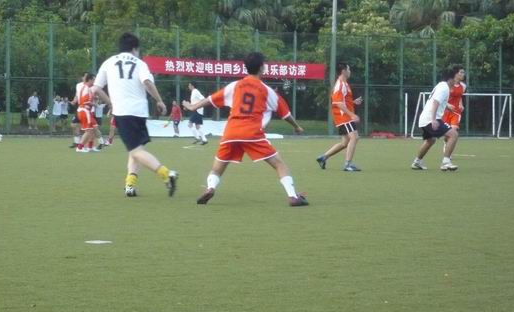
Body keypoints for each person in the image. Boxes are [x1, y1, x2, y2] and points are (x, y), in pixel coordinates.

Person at [182, 52, 308, 207]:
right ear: (262, 68)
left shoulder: (234, 86)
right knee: (279, 164)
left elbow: (211, 99)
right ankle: (293, 196)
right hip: (252, 133)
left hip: (231, 132)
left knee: (217, 168)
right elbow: (285, 114)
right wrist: (297, 126)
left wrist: (193, 106)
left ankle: (210, 188)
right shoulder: (267, 91)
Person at [93, 33, 178, 197]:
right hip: (139, 112)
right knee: (136, 149)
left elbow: (95, 88)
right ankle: (130, 184)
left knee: (135, 150)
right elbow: (147, 82)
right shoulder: (140, 63)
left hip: (123, 112)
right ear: (135, 48)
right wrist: (159, 101)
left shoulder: (108, 63)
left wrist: (110, 103)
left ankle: (167, 174)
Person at [411, 65, 462, 171]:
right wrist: (434, 119)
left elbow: (435, 99)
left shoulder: (441, 85)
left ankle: (417, 162)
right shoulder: (444, 88)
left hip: (424, 119)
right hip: (430, 119)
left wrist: (447, 106)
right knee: (453, 134)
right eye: (455, 79)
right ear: (451, 79)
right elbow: (435, 102)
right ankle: (446, 162)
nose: (456, 82)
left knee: (431, 140)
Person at [316, 63, 363, 172]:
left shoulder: (344, 84)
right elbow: (338, 103)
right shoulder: (340, 85)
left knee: (345, 142)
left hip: (344, 117)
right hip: (344, 117)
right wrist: (352, 115)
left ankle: (323, 157)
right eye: (348, 69)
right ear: (343, 71)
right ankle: (348, 165)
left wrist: (353, 102)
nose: (350, 71)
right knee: (354, 137)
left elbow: (343, 101)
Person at [71, 73, 109, 153]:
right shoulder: (86, 88)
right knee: (89, 131)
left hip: (85, 110)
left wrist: (94, 99)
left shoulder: (86, 88)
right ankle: (80, 147)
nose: (95, 81)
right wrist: (94, 104)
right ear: (90, 80)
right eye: (94, 79)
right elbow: (85, 101)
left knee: (92, 129)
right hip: (85, 110)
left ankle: (90, 147)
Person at [442, 66, 466, 160]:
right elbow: (442, 97)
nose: (463, 74)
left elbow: (459, 97)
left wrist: (461, 104)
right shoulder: (447, 84)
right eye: (461, 72)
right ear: (456, 74)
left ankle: (448, 155)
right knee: (446, 135)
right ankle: (446, 143)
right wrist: (447, 104)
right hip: (445, 111)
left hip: (456, 112)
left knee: (453, 131)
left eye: (463, 72)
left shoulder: (463, 86)